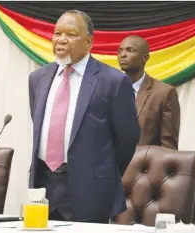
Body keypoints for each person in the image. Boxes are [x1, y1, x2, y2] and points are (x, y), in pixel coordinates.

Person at [28, 10, 140, 223]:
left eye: (70, 34)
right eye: (57, 33)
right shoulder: (38, 78)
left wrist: (100, 171)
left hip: (90, 189)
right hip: (43, 187)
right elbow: (41, 125)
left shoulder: (113, 81)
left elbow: (128, 138)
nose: (61, 40)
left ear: (88, 42)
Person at [117, 35, 180, 149]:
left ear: (145, 58)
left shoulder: (164, 93)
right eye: (120, 51)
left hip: (145, 165)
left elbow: (168, 148)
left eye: (130, 50)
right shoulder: (110, 90)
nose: (123, 55)